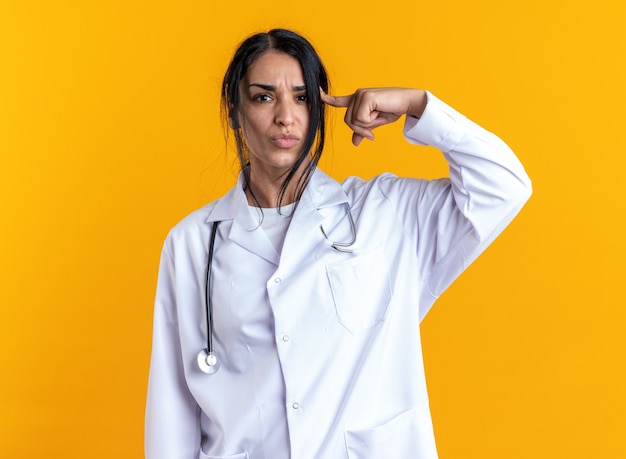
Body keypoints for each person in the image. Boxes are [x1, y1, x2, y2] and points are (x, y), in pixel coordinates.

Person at [145, 28, 532, 459]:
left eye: (302, 96)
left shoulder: (386, 215)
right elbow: (172, 408)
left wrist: (417, 105)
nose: (286, 116)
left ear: (320, 109)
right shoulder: (193, 243)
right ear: (235, 111)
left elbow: (504, 186)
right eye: (263, 97)